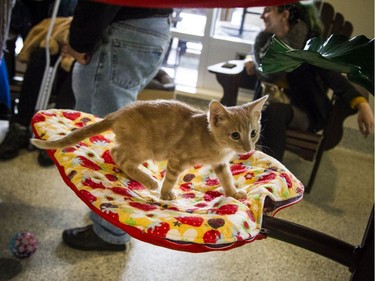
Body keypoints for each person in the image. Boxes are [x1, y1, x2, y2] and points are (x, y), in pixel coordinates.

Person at [60, 0, 172, 251]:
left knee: (104, 138)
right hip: (154, 25)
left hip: (124, 26)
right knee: (116, 133)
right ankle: (111, 216)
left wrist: (78, 42)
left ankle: (110, 230)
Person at [244, 3, 374, 161]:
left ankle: (272, 174)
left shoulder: (309, 46)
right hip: (269, 105)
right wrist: (250, 60)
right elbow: (254, 56)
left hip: (303, 111)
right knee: (262, 111)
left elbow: (332, 74)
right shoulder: (266, 41)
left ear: (284, 15)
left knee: (273, 111)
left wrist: (361, 103)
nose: (261, 16)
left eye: (268, 11)